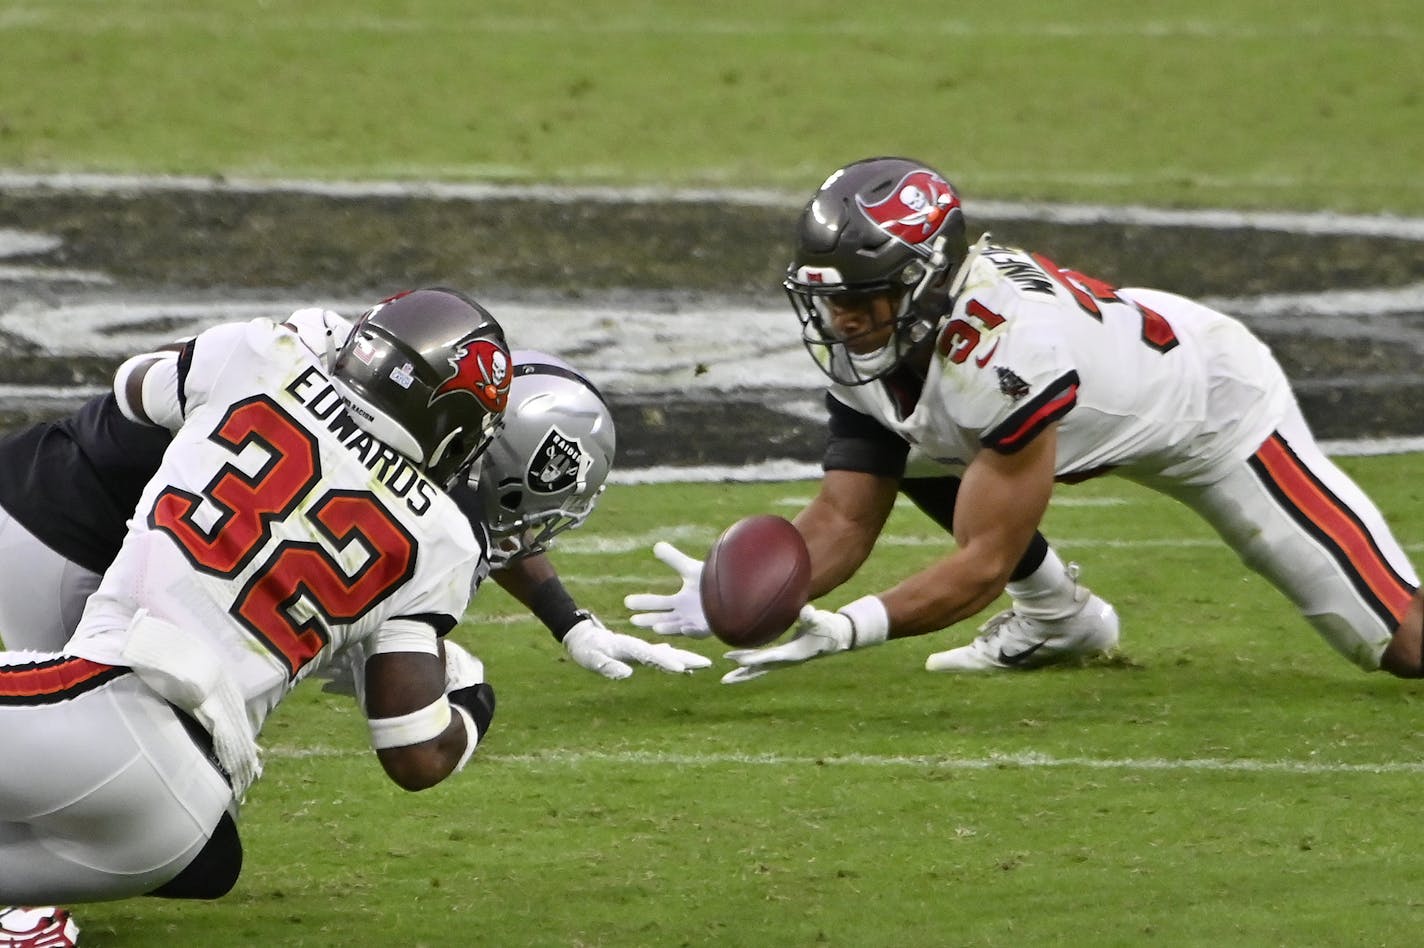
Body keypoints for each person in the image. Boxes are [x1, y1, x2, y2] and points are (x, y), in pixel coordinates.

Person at [630, 156, 1421, 683]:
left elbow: (980, 563)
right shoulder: (875, 332)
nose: (843, 320)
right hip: (1053, 404)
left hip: (1211, 406)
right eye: (829, 297)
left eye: (863, 296)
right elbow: (845, 514)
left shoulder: (1006, 350)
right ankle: (1060, 621)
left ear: (930, 280)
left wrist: (850, 630)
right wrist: (746, 593)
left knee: (1400, 644)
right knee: (923, 435)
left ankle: (1055, 613)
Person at [0, 287, 510, 903]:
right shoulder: (445, 541)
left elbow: (134, 386)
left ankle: (30, 923)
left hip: (114, 705)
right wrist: (473, 704)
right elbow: (415, 752)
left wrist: (287, 349)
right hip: (182, 828)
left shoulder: (262, 355)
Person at [0, 323, 707, 682]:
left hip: (65, 491)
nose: (529, 533)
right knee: (111, 772)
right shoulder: (423, 497)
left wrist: (568, 621)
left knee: (182, 821)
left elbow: (138, 381)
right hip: (71, 534)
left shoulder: (393, 385)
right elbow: (412, 748)